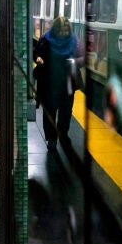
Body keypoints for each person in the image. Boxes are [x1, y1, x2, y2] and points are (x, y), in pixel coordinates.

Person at [33, 16, 84, 151]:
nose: (63, 34)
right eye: (60, 31)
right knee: (49, 111)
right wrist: (38, 58)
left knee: (66, 112)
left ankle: (62, 133)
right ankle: (51, 138)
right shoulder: (45, 39)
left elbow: (84, 57)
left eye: (65, 31)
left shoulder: (74, 41)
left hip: (67, 83)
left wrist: (74, 62)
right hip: (49, 82)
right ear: (55, 30)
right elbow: (36, 52)